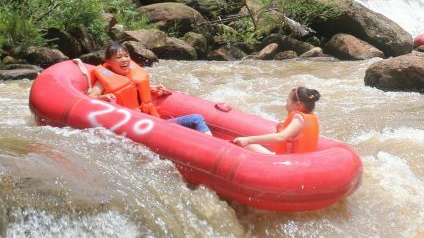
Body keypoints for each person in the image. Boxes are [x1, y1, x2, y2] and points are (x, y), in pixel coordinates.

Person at [76, 42, 212, 135]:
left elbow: (136, 91)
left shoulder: (132, 75)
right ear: (109, 62)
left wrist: (154, 89)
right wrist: (104, 98)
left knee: (196, 118)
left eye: (126, 56)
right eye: (119, 57)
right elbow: (90, 98)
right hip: (136, 127)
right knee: (195, 120)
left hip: (150, 122)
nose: (124, 60)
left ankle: (209, 144)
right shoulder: (103, 81)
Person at [233, 87, 320, 154]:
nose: (286, 105)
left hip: (288, 164)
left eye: (287, 102)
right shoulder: (310, 119)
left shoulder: (298, 119)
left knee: (249, 145)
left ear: (297, 104)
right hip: (302, 163)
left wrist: (248, 140)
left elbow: (281, 137)